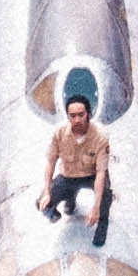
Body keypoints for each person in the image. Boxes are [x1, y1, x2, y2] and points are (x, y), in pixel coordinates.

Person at [39, 85, 114, 239]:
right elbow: (51, 162)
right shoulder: (59, 134)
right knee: (42, 204)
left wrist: (96, 207)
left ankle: (101, 230)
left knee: (105, 197)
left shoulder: (100, 137)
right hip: (68, 176)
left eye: (81, 115)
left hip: (92, 175)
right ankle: (69, 201)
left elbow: (101, 173)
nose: (77, 120)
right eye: (72, 116)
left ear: (88, 114)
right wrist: (47, 192)